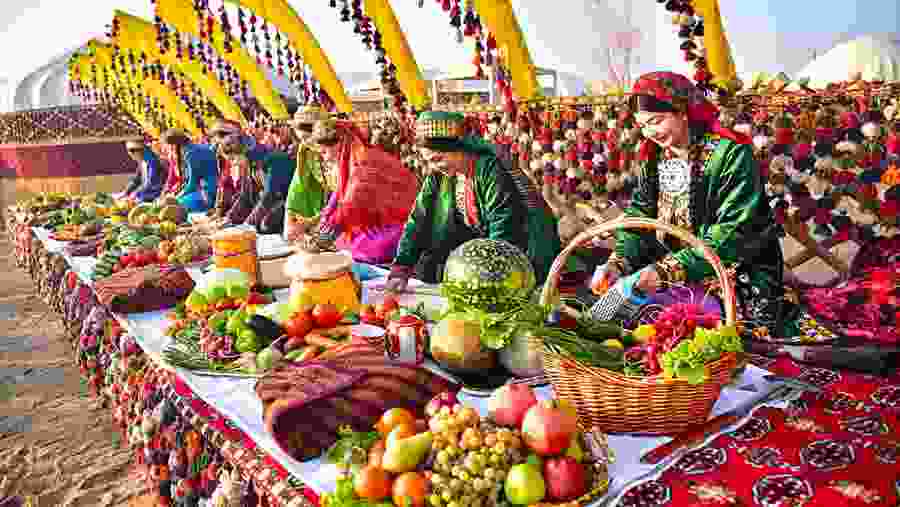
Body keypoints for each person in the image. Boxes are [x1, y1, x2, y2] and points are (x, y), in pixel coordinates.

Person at [592, 71, 830, 341]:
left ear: (682, 111)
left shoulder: (730, 155)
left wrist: (665, 270)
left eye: (656, 121)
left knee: (700, 333)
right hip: (676, 272)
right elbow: (640, 216)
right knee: (624, 319)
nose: (650, 133)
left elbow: (733, 230)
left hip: (737, 271)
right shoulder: (654, 158)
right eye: (643, 125)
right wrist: (619, 262)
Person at [385, 111, 562, 291]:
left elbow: (503, 226)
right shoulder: (439, 176)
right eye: (429, 161)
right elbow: (418, 220)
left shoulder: (489, 169)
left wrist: (487, 276)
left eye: (438, 159)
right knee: (428, 267)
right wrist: (401, 269)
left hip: (514, 252)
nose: (434, 167)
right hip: (478, 254)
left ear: (459, 148)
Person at [311, 116, 419, 264]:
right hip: (381, 223)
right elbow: (338, 198)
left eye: (324, 152)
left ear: (339, 144)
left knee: (365, 248)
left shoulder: (364, 161)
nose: (325, 158)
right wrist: (321, 225)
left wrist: (321, 240)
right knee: (345, 241)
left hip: (401, 225)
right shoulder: (352, 158)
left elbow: (349, 205)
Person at [283, 106, 329, 242]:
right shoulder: (306, 151)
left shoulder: (339, 152)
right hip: (325, 209)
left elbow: (344, 197)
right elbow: (297, 189)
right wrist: (291, 220)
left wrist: (313, 222)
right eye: (301, 139)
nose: (305, 143)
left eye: (307, 138)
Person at [160, 129, 218, 213]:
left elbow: (193, 183)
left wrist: (177, 197)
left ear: (173, 144)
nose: (167, 149)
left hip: (208, 192)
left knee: (175, 206)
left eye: (167, 146)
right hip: (202, 189)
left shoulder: (191, 153)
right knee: (170, 203)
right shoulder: (189, 149)